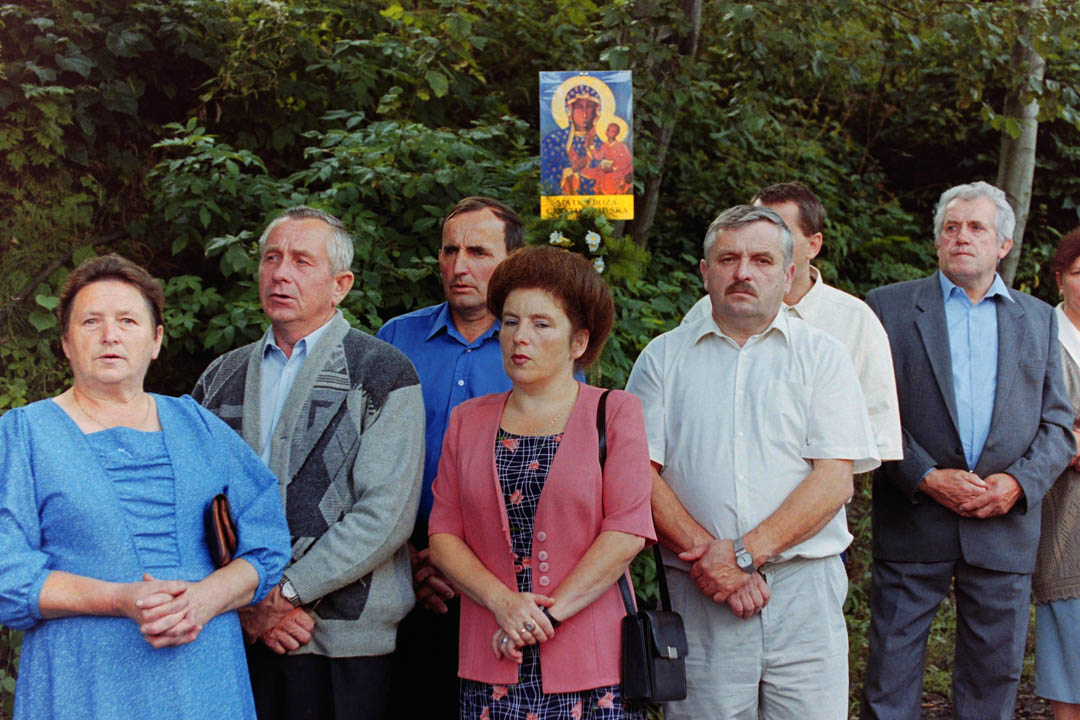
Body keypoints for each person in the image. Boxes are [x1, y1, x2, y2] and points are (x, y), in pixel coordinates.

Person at [0, 254, 291, 720]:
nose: (110, 335)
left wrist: (205, 599)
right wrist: (119, 599)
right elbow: (7, 575)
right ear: (66, 343)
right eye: (91, 321)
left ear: (156, 340)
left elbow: (268, 542)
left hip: (203, 682)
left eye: (128, 320)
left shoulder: (198, 426)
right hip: (83, 681)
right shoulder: (23, 436)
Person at [626, 205, 879, 719]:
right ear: (705, 272)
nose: (743, 272)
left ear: (788, 274)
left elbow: (834, 481)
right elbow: (637, 475)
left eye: (762, 260)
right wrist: (712, 561)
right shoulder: (662, 358)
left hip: (803, 592)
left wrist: (742, 556)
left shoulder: (824, 356)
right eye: (728, 259)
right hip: (699, 591)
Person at [192, 206, 425, 720]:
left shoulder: (383, 372)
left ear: (341, 285)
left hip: (343, 644)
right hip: (235, 634)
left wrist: (284, 595)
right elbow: (193, 505)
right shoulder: (219, 376)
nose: (280, 273)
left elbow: (384, 516)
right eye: (271, 258)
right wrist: (246, 605)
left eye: (301, 261)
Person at [862, 182, 1075, 719]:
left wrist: (1019, 484)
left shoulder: (1039, 319)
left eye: (977, 227)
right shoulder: (888, 308)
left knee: (992, 682)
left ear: (1003, 244)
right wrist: (926, 476)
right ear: (937, 241)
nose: (962, 237)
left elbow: (1057, 426)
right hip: (914, 518)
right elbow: (869, 411)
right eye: (951, 227)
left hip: (1003, 526)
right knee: (890, 676)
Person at [428, 246, 655, 719]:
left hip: (593, 663)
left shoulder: (615, 412)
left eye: (541, 324)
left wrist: (543, 617)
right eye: (510, 322)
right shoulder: (466, 421)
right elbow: (444, 536)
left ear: (578, 342)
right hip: (493, 654)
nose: (520, 337)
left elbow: (627, 532)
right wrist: (504, 605)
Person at [378, 197, 524, 711]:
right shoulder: (396, 339)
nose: (459, 266)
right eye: (449, 251)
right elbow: (367, 460)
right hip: (405, 566)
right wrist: (407, 559)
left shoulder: (536, 344)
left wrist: (468, 568)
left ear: (512, 262)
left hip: (504, 571)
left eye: (478, 252)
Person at [682, 181, 902, 461]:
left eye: (780, 230)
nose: (764, 238)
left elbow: (877, 432)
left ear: (813, 245)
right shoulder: (705, 313)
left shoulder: (855, 322)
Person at [1034, 226, 1080, 720]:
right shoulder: (1039, 332)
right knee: (1069, 631)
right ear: (1060, 277)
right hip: (1062, 506)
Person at [541, 84, 604, 196]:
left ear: (596, 112)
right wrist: (570, 171)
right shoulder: (555, 140)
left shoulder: (602, 142)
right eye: (579, 107)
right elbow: (548, 176)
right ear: (570, 111)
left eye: (590, 107)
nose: (585, 114)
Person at [582, 122, 633, 195]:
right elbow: (598, 157)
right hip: (606, 167)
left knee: (609, 178)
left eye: (613, 131)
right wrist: (591, 146)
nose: (609, 133)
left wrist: (614, 168)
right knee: (591, 172)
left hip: (618, 170)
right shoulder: (604, 145)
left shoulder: (621, 146)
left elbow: (627, 160)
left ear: (617, 134)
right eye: (608, 130)